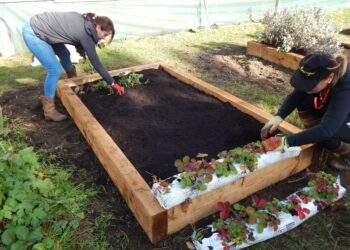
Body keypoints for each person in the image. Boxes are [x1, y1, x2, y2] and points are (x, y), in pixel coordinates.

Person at [22, 12, 125, 121]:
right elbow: (96, 63)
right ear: (98, 27)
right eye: (105, 35)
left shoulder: (87, 22)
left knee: (65, 55)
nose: (104, 38)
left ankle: (74, 84)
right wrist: (113, 83)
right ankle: (49, 111)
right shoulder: (84, 33)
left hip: (47, 29)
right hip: (34, 32)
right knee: (54, 70)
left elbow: (73, 36)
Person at [261, 52, 350, 170]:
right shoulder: (321, 70)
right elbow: (295, 96)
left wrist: (287, 142)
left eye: (311, 85)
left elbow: (326, 129)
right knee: (313, 124)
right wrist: (279, 116)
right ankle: (316, 133)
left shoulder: (345, 88)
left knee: (324, 133)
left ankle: (347, 152)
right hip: (341, 108)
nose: (306, 88)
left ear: (329, 78)